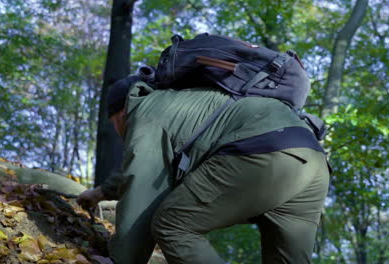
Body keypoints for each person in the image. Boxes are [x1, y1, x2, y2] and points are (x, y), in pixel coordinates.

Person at [77, 75, 330, 264]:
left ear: (120, 113)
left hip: (264, 150)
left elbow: (141, 188)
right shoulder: (180, 103)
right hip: (312, 160)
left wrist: (121, 260)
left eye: (114, 125)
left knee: (172, 224)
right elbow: (133, 170)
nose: (118, 132)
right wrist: (99, 193)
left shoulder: (146, 112)